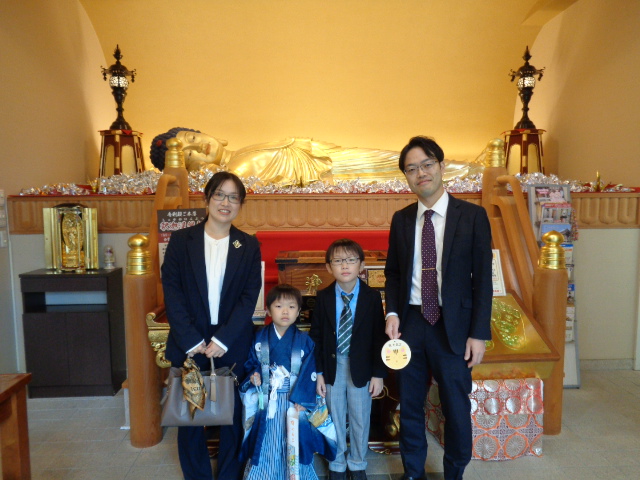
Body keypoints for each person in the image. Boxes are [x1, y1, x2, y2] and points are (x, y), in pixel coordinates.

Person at [384, 136, 493, 480]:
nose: (421, 173)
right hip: (412, 323)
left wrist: (479, 333)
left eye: (427, 164)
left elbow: (483, 280)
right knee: (409, 404)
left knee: (456, 406)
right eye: (411, 169)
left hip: (454, 326)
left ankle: (454, 472)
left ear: (441, 167)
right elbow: (394, 273)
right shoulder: (402, 219)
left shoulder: (472, 216)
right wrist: (392, 312)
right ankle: (413, 472)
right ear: (406, 176)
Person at [161, 171, 262, 480]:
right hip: (190, 342)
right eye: (219, 195)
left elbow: (249, 296)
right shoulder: (181, 241)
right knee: (190, 414)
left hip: (230, 341)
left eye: (233, 197)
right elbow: (172, 293)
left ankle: (229, 474)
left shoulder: (248, 245)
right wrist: (191, 340)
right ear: (207, 198)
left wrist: (224, 339)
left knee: (233, 414)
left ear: (240, 204)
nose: (225, 203)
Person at [149, 128, 483, 186]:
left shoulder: (240, 152)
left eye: (193, 139)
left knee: (393, 159)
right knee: (392, 168)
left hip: (327, 155)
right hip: (326, 172)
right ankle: (469, 170)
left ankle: (468, 167)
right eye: (190, 156)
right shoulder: (235, 170)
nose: (198, 148)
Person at [310, 239, 387, 480]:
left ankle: (357, 463)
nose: (345, 266)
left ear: (361, 265)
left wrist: (378, 374)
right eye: (338, 261)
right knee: (334, 416)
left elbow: (379, 337)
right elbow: (316, 338)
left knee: (360, 417)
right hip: (333, 367)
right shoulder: (322, 297)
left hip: (362, 368)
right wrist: (319, 373)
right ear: (328, 267)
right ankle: (337, 463)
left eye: (351, 260)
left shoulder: (371, 297)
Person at [240, 284, 323, 480]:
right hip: (268, 399)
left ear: (299, 311)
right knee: (267, 438)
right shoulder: (259, 337)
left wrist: (303, 399)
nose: (285, 312)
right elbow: (251, 362)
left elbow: (309, 370)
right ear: (268, 310)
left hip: (294, 399)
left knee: (294, 439)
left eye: (291, 307)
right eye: (278, 306)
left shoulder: (304, 340)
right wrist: (254, 375)